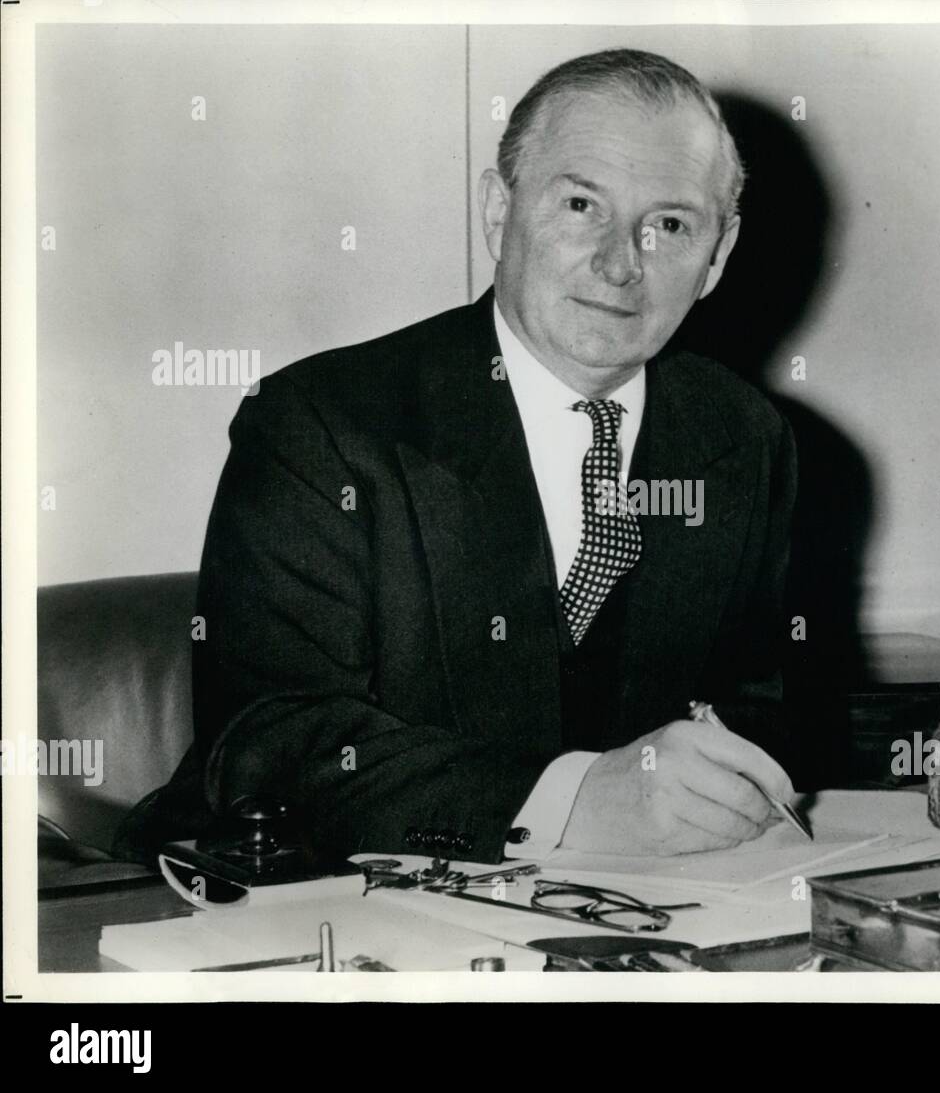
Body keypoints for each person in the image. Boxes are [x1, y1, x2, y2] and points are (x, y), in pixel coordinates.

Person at [116, 48, 803, 866]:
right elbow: (272, 742)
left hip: (633, 914)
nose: (622, 265)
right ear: (496, 212)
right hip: (297, 897)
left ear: (717, 258)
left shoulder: (742, 437)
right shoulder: (321, 424)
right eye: (582, 204)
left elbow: (750, 710)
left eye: (670, 225)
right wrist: (571, 802)